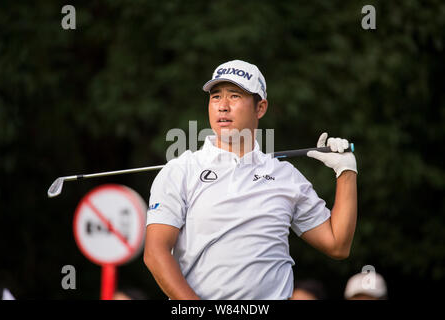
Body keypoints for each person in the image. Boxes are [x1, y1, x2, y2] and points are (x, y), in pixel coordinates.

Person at [143, 59, 358, 300]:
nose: (222, 106)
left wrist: (346, 171)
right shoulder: (181, 170)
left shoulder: (286, 177)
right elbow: (155, 252)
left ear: (260, 108)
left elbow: (337, 245)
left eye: (234, 96)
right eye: (215, 97)